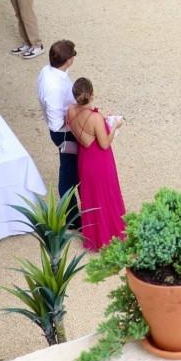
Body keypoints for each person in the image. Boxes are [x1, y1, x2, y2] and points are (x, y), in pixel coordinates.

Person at [65, 77, 126, 251]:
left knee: (91, 197)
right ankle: (111, 234)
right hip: (100, 161)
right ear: (91, 95)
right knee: (107, 194)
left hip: (84, 160)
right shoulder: (95, 117)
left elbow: (82, 136)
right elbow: (104, 143)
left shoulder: (70, 111)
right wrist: (115, 126)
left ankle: (95, 237)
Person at [36, 40, 79, 223]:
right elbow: (55, 123)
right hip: (64, 133)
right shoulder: (54, 87)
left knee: (71, 169)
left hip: (65, 129)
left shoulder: (48, 71)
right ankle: (72, 219)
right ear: (68, 60)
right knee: (68, 173)